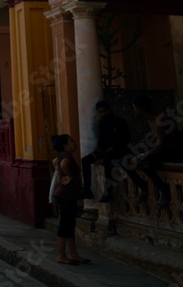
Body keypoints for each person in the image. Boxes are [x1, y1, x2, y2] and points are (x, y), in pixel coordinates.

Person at [126, 94, 172, 207]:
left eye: (135, 108)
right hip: (158, 152)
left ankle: (164, 189)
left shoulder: (161, 120)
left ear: (140, 108)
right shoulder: (150, 121)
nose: (135, 111)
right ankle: (143, 186)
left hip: (169, 153)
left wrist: (141, 156)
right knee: (124, 161)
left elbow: (162, 146)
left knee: (142, 161)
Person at [80, 100, 131, 203]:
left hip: (119, 151)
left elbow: (123, 140)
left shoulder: (119, 121)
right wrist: (98, 150)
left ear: (109, 110)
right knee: (85, 160)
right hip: (106, 150)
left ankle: (108, 193)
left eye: (104, 111)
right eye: (100, 112)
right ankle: (87, 189)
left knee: (108, 162)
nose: (103, 114)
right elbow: (102, 139)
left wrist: (109, 150)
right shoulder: (102, 123)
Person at [51, 134, 90, 266]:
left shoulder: (62, 154)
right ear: (65, 145)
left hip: (66, 195)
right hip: (66, 195)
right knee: (65, 225)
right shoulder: (66, 156)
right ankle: (61, 255)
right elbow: (62, 164)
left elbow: (54, 162)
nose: (74, 143)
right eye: (71, 141)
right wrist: (68, 175)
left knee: (69, 225)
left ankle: (74, 254)